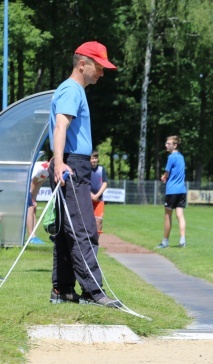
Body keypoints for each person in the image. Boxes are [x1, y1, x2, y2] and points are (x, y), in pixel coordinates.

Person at [48, 41, 121, 307]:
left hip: (70, 163)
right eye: (99, 67)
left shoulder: (73, 90)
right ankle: (93, 292)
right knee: (84, 229)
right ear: (83, 64)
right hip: (72, 166)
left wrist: (59, 159)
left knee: (67, 231)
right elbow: (60, 126)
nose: (102, 73)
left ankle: (63, 290)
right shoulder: (71, 90)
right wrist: (59, 163)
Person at [156, 135, 187, 248]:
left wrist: (164, 177)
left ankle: (165, 242)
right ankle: (182, 240)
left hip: (172, 191)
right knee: (180, 215)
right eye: (166, 143)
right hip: (182, 190)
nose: (166, 145)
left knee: (167, 216)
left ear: (175, 145)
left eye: (168, 143)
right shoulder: (181, 157)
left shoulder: (171, 157)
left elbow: (167, 173)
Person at [26, 160, 50, 245]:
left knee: (34, 208)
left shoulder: (48, 172)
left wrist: (34, 199)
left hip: (30, 187)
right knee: (30, 208)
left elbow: (38, 184)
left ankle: (34, 236)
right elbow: (33, 183)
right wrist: (31, 198)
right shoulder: (42, 168)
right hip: (25, 185)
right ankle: (30, 238)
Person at [89, 150, 108, 239]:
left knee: (99, 220)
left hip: (99, 198)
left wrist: (97, 195)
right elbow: (83, 183)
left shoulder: (101, 169)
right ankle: (87, 239)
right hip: (87, 198)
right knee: (88, 219)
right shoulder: (86, 170)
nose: (94, 160)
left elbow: (105, 183)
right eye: (92, 158)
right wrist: (91, 195)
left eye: (96, 158)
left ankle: (96, 241)